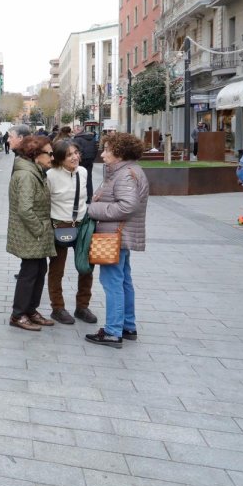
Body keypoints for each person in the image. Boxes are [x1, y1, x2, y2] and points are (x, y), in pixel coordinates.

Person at [85, 132, 150, 347]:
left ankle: (113, 330)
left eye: (107, 150)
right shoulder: (127, 171)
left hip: (114, 236)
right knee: (123, 280)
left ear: (119, 153)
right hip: (120, 235)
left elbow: (127, 206)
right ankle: (127, 325)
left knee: (112, 282)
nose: (102, 155)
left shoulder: (126, 174)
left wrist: (93, 208)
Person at [6, 136, 57, 331]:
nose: (52, 157)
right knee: (29, 273)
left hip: (35, 233)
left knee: (38, 270)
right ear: (35, 155)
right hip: (31, 233)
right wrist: (40, 229)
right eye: (49, 153)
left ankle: (30, 310)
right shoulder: (27, 175)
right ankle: (18, 314)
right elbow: (25, 209)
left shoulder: (34, 171)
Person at [45, 140, 95, 325]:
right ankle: (57, 308)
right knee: (57, 270)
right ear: (59, 159)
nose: (75, 157)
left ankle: (82, 306)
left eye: (76, 153)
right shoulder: (50, 175)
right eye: (69, 155)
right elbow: (45, 202)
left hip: (82, 225)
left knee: (86, 268)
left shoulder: (83, 171)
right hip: (60, 225)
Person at [71, 123, 98, 200]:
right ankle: (90, 196)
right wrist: (93, 158)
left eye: (75, 129)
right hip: (90, 160)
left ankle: (80, 196)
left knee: (79, 178)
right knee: (89, 177)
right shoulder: (92, 138)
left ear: (79, 130)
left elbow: (77, 150)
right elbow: (95, 149)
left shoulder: (77, 139)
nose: (73, 131)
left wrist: (79, 159)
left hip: (81, 161)